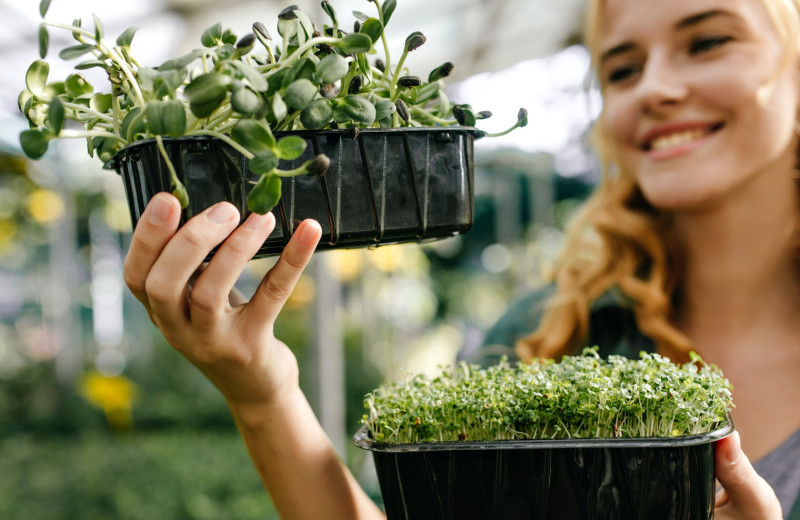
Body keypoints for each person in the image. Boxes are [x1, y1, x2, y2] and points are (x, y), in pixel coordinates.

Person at [122, 0, 798, 518]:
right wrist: (262, 391)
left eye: (708, 42)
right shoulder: (550, 333)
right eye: (622, 69)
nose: (654, 88)